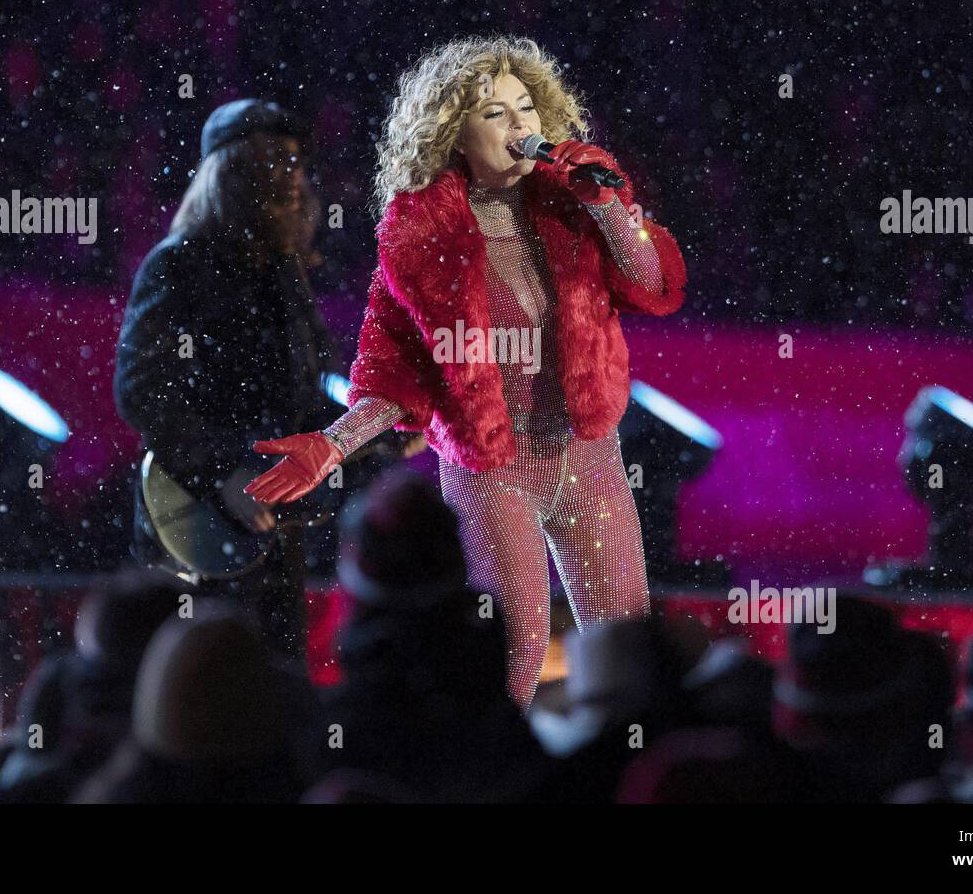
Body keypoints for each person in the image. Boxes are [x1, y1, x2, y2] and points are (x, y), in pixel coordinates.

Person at [245, 36, 687, 707]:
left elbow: (655, 285)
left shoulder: (573, 204)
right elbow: (395, 375)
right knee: (513, 661)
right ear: (452, 134)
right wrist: (332, 444)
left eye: (526, 109)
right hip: (491, 472)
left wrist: (607, 206)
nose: (521, 127)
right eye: (496, 115)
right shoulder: (419, 235)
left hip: (591, 460)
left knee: (628, 655)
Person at [114, 99, 421, 664]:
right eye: (274, 159)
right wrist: (220, 473)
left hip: (270, 535)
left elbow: (299, 407)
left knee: (269, 687)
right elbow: (141, 388)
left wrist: (371, 433)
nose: (293, 176)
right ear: (234, 173)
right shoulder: (176, 266)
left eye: (298, 161)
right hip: (198, 530)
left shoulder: (285, 276)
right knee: (196, 682)